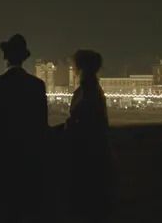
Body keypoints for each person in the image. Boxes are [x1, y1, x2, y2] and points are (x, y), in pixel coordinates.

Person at [0, 34, 49, 222]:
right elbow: (42, 123)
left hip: (4, 156)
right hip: (31, 158)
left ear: (5, 58)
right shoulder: (37, 85)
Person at [60, 49, 113, 222]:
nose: (73, 69)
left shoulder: (87, 91)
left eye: (74, 66)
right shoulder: (94, 89)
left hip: (86, 158)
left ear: (81, 67)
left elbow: (80, 122)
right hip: (96, 157)